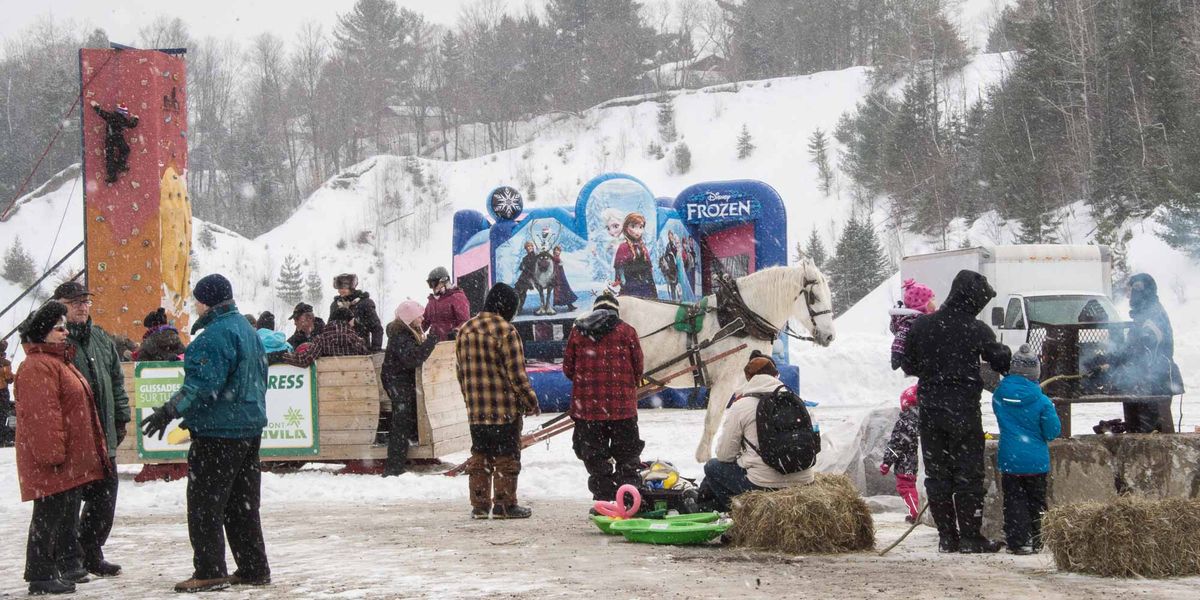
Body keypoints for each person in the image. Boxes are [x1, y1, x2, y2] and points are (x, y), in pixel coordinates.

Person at [139, 273, 270, 593]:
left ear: (207, 301)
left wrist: (170, 411)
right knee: (243, 504)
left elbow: (201, 386)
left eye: (197, 299)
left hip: (219, 434)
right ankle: (253, 567)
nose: (195, 305)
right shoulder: (248, 331)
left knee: (205, 503)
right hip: (248, 428)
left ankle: (210, 569)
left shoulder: (213, 336)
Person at [902, 270, 1011, 554]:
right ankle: (970, 537)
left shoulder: (923, 326)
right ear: (971, 299)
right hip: (963, 410)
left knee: (937, 474)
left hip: (931, 410)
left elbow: (909, 364)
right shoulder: (975, 329)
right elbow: (1000, 361)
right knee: (968, 475)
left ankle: (946, 537)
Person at [15, 301, 110, 595]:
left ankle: (47, 570)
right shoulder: (37, 366)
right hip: (53, 459)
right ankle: (40, 574)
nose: (65, 332)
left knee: (55, 516)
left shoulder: (56, 361)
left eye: (65, 327)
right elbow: (42, 416)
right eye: (58, 328)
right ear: (43, 334)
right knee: (47, 517)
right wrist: (52, 455)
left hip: (64, 458)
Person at [52, 282, 129, 577]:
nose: (82, 307)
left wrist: (121, 417)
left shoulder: (100, 337)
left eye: (85, 302)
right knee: (68, 503)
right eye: (75, 303)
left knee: (104, 498)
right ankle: (67, 558)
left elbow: (117, 381)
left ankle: (91, 551)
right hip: (74, 435)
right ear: (60, 306)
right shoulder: (56, 339)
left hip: (103, 434)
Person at [455, 283, 540, 520]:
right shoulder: (506, 331)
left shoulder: (465, 330)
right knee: (506, 458)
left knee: (480, 456)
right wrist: (530, 401)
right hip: (504, 409)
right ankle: (505, 506)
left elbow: (460, 372)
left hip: (476, 411)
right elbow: (517, 375)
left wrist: (470, 401)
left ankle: (480, 506)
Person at [697, 352, 815, 512]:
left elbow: (725, 455)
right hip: (805, 482)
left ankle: (740, 515)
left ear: (748, 378)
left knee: (712, 467)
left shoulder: (742, 405)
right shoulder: (797, 401)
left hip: (763, 485)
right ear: (776, 375)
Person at [562, 293, 644, 504]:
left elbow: (568, 369)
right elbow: (639, 368)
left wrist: (588, 385)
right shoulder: (627, 331)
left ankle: (604, 500)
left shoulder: (578, 332)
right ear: (615, 310)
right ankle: (628, 499)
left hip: (588, 411)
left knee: (595, 458)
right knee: (627, 457)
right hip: (622, 410)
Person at [1088, 273, 1180, 432]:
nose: (1128, 295)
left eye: (1130, 290)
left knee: (1149, 431)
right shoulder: (1144, 314)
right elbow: (1132, 350)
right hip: (1145, 383)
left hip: (1156, 383)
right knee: (1140, 428)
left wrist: (1110, 359)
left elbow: (1138, 351)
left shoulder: (1152, 316)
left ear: (1140, 290)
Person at [993, 345, 1061, 555]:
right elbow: (1052, 432)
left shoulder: (999, 396)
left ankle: (1017, 540)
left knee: (1013, 500)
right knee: (1036, 501)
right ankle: (1037, 539)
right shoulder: (1042, 401)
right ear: (1035, 372)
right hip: (1036, 461)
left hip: (1010, 459)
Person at [381, 300, 439, 476]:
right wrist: (431, 342)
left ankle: (402, 459)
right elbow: (412, 359)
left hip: (400, 381)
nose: (422, 318)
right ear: (410, 318)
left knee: (406, 420)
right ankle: (394, 467)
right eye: (419, 315)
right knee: (401, 423)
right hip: (397, 382)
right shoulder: (401, 336)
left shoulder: (407, 333)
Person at [880, 385, 921, 523]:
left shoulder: (904, 422)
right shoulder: (927, 419)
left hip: (906, 463)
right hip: (922, 461)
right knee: (919, 486)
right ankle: (922, 510)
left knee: (905, 487)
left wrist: (887, 462)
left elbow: (896, 444)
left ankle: (916, 513)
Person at [277, 307, 368, 368]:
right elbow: (366, 359)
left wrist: (280, 356)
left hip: (328, 385)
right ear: (348, 321)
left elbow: (303, 360)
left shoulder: (322, 339)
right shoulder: (357, 340)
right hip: (355, 383)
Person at [330, 273, 384, 352]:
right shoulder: (335, 305)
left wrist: (375, 349)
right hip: (338, 350)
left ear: (351, 287)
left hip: (361, 349)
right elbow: (330, 326)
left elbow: (376, 328)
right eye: (339, 288)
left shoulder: (365, 303)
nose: (340, 291)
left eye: (344, 288)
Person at [890, 279, 935, 371]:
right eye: (932, 300)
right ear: (923, 304)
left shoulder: (928, 319)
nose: (935, 303)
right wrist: (896, 354)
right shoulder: (911, 321)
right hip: (917, 363)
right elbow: (900, 338)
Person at [89, 101, 138, 183]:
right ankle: (121, 165)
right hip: (118, 137)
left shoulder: (110, 116)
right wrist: (136, 118)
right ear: (124, 113)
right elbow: (131, 125)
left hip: (110, 138)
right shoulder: (123, 119)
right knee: (125, 150)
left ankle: (112, 175)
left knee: (110, 156)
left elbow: (101, 113)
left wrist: (95, 106)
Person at [612, 213, 656, 298]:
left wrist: (652, 289)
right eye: (633, 226)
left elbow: (649, 270)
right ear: (626, 228)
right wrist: (622, 284)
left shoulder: (643, 248)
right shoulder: (623, 247)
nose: (637, 231)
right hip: (630, 288)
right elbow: (619, 270)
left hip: (646, 288)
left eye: (641, 227)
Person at [423, 267, 471, 340]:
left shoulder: (456, 297)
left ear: (444, 281)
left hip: (451, 343)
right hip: (434, 343)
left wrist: (456, 332)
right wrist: (413, 331)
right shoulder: (432, 301)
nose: (432, 288)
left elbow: (465, 322)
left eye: (434, 284)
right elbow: (424, 321)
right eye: (430, 284)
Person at [0, 339, 15, 447]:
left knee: (3, 415)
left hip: (3, 391)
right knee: (3, 415)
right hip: (3, 391)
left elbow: (9, 378)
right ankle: (3, 437)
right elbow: (9, 378)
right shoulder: (6, 363)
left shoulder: (6, 363)